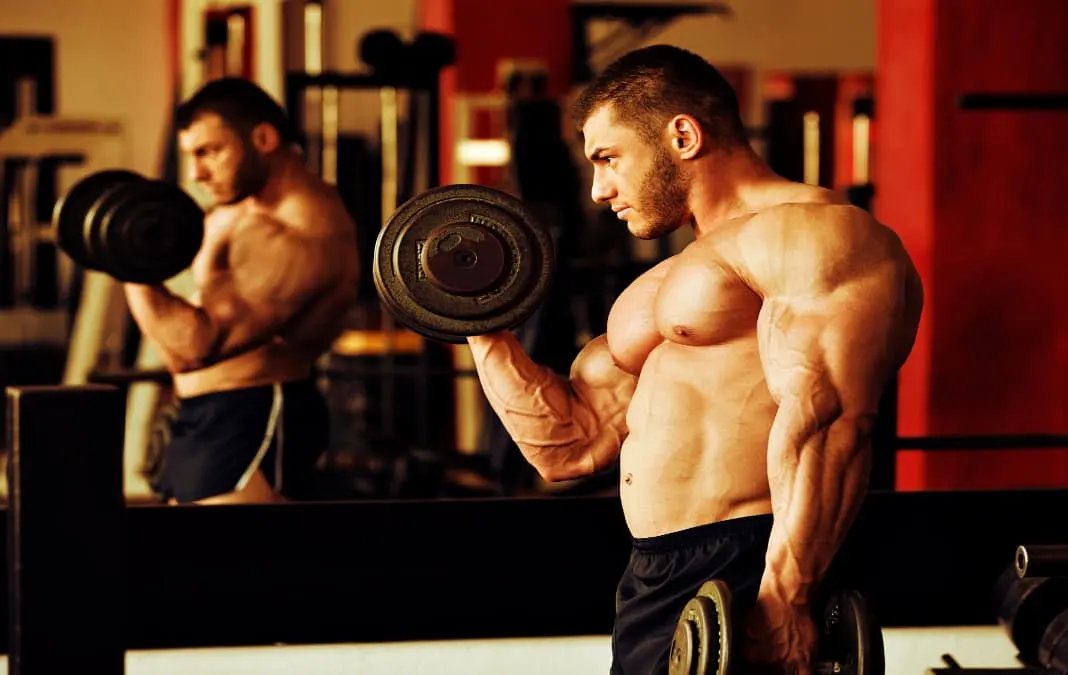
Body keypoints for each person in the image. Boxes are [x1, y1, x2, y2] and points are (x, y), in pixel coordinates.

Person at [465, 45, 924, 674]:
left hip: (753, 565)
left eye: (608, 159)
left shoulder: (818, 235)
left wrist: (787, 595)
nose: (599, 191)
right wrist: (477, 322)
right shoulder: (673, 280)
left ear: (682, 134)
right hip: (657, 575)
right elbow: (571, 444)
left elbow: (833, 418)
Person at [126, 77, 360, 506]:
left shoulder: (303, 231)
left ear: (264, 138)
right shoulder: (237, 210)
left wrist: (127, 265)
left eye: (209, 152)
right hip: (204, 416)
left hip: (253, 415)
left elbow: (196, 347)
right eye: (191, 156)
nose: (197, 173)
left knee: (225, 566)